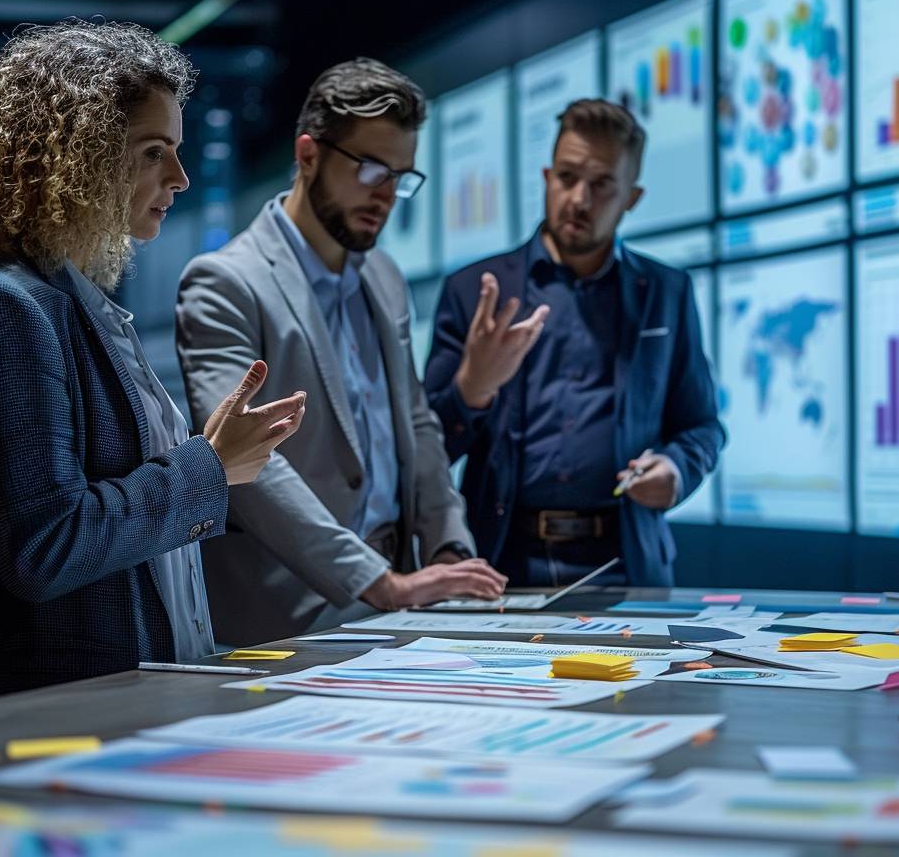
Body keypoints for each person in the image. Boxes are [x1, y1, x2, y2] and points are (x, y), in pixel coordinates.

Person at [0, 21, 305, 707]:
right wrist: (207, 468)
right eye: (155, 152)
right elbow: (46, 544)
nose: (180, 178)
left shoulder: (67, 298)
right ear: (81, 155)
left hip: (127, 701)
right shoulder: (11, 304)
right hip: (63, 717)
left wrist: (206, 459)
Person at [176, 58, 506, 646]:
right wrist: (376, 581)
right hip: (288, 614)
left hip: (401, 600)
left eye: (401, 177)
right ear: (308, 155)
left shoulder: (383, 276)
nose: (387, 196)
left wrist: (449, 546)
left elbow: (417, 424)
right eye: (372, 169)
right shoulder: (225, 281)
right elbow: (244, 461)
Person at [425, 98, 725, 588]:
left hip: (627, 565)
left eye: (602, 184)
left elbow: (702, 426)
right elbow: (427, 452)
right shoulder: (475, 291)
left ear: (632, 195)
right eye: (567, 177)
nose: (579, 199)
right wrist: (471, 390)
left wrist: (676, 468)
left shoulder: (666, 293)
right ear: (546, 177)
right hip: (501, 563)